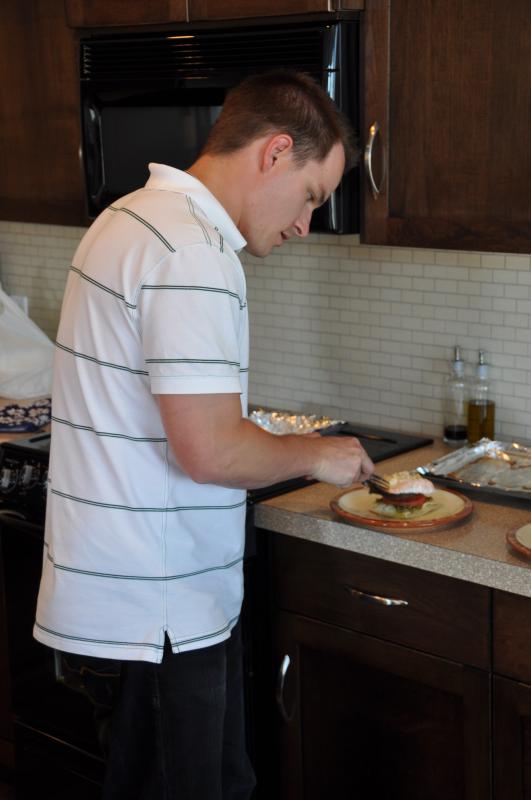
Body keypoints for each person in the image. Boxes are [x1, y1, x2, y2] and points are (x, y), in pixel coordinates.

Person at [34, 69, 374, 799]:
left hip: (132, 603)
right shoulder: (191, 252)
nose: (302, 224)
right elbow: (212, 449)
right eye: (311, 196)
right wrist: (322, 454)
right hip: (156, 612)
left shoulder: (130, 215)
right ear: (275, 151)